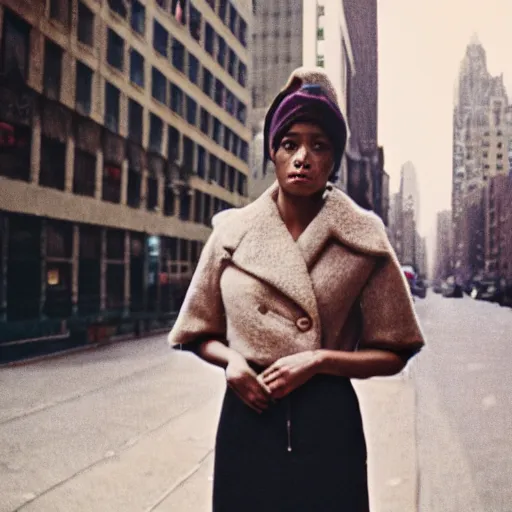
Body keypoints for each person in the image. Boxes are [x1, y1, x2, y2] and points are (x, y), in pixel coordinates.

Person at [168, 67, 425, 512]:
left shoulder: (363, 237)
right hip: (248, 419)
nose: (302, 157)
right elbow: (197, 331)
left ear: (333, 160)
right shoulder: (232, 233)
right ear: (274, 152)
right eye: (290, 144)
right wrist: (232, 363)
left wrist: (320, 361)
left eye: (318, 146)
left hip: (328, 424)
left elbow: (395, 350)